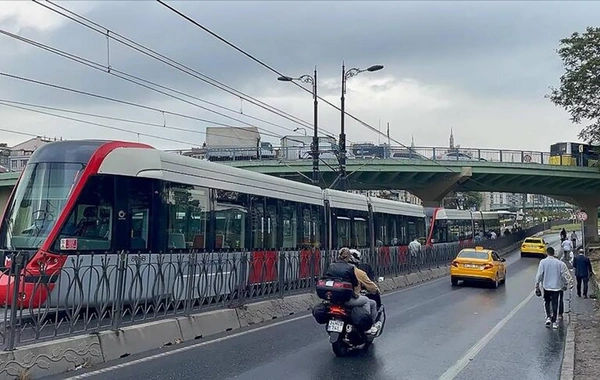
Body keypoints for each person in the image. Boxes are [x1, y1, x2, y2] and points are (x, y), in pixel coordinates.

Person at [324, 247, 379, 334]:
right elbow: (355, 283)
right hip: (347, 299)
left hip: (333, 299)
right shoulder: (351, 269)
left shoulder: (331, 266)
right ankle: (367, 326)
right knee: (366, 301)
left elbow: (326, 279)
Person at [535, 246, 573, 329]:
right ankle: (555, 321)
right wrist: (565, 284)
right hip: (556, 287)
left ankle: (548, 317)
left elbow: (540, 275)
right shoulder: (560, 263)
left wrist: (537, 285)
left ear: (547, 253)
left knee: (547, 302)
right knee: (555, 303)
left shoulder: (543, 262)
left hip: (546, 286)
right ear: (554, 253)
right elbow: (564, 275)